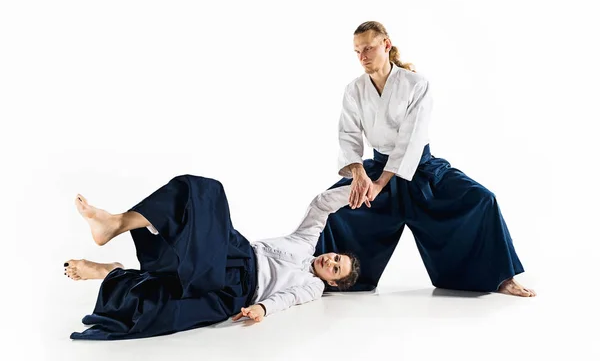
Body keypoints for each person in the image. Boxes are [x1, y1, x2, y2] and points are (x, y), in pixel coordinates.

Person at [314, 21, 535, 297]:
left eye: (369, 48)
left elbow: (411, 140)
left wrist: (380, 183)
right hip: (375, 168)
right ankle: (319, 279)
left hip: (421, 169)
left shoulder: (415, 84)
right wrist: (359, 175)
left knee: (482, 200)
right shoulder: (354, 89)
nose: (363, 57)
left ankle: (500, 278)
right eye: (357, 51)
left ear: (386, 44)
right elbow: (348, 134)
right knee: (332, 208)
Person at [64, 174, 360, 340]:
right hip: (239, 252)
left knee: (163, 302)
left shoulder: (314, 287)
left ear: (332, 283)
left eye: (335, 269)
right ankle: (116, 223)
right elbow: (321, 206)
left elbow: (290, 298)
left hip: (237, 291)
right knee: (203, 192)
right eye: (336, 257)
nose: (330, 262)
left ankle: (112, 272)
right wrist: (354, 190)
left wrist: (263, 309)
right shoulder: (306, 242)